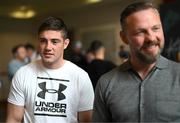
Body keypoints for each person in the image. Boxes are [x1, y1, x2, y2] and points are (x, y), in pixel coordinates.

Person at [92, 1, 180, 122]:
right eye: (141, 32)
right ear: (124, 37)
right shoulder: (106, 83)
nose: (151, 38)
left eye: (155, 28)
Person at [6, 17, 94, 123]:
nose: (48, 47)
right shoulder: (23, 74)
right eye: (43, 41)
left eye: (54, 42)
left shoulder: (80, 76)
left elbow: (86, 121)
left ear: (65, 44)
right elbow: (13, 119)